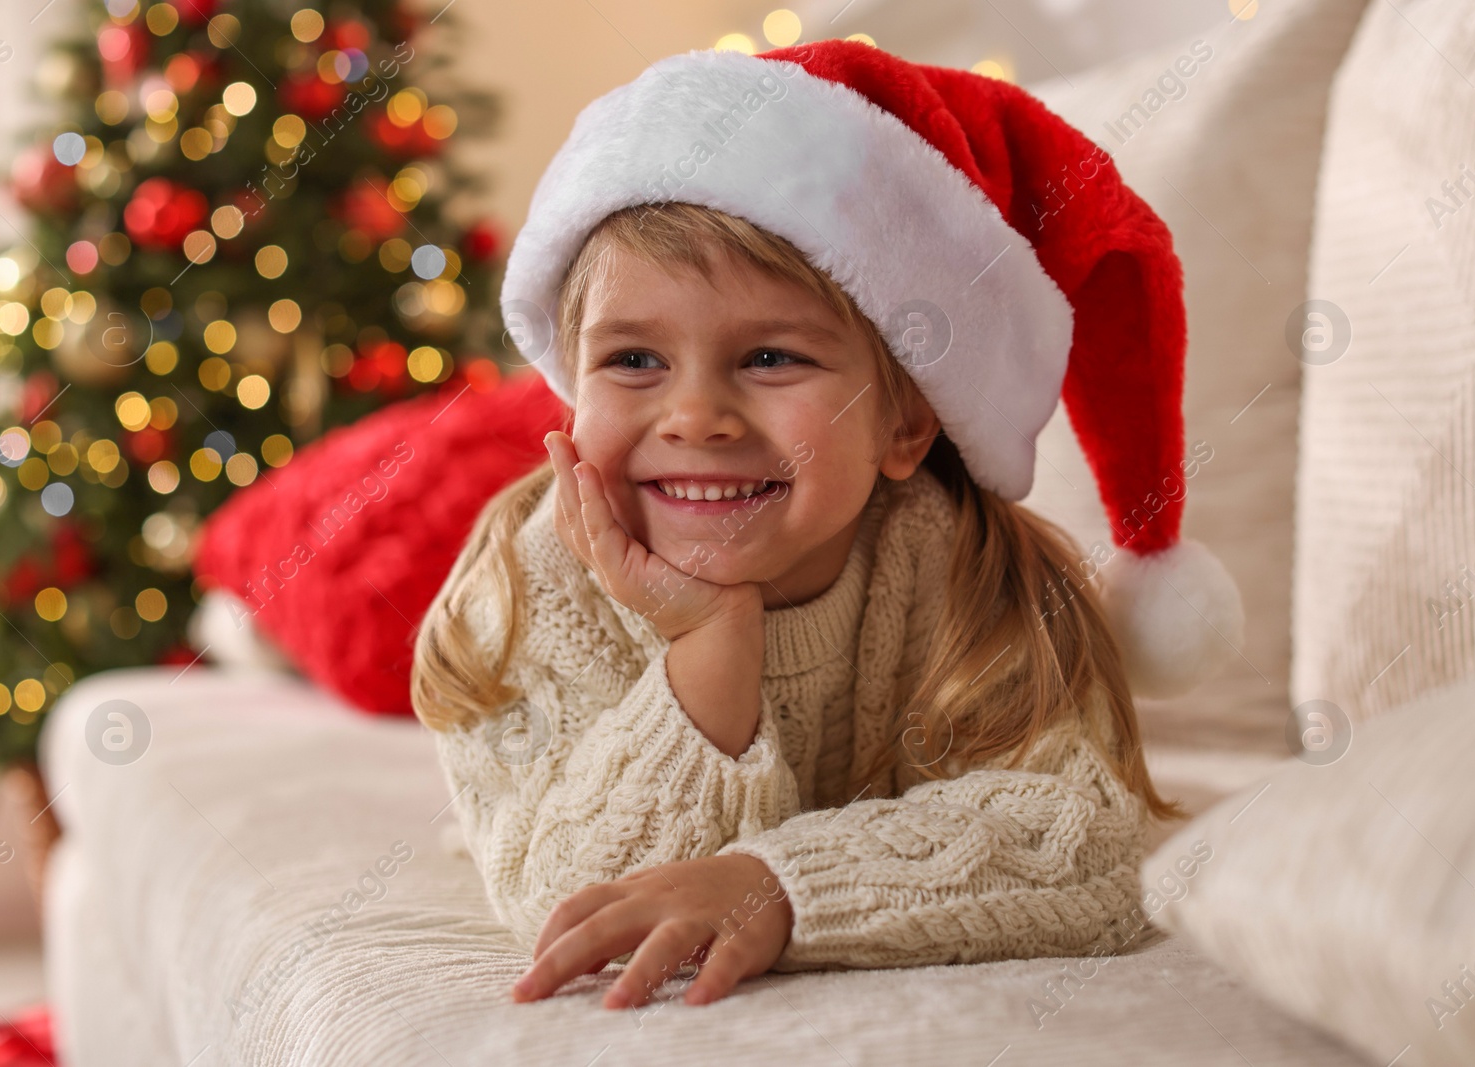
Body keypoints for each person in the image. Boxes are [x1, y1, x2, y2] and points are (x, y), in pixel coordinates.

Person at [410, 39, 1244, 1013]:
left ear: (902, 422)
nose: (694, 417)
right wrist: (707, 649)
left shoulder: (951, 567)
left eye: (769, 356)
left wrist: (778, 885)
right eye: (634, 360)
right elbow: (577, 903)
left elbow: (1082, 842)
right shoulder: (530, 586)